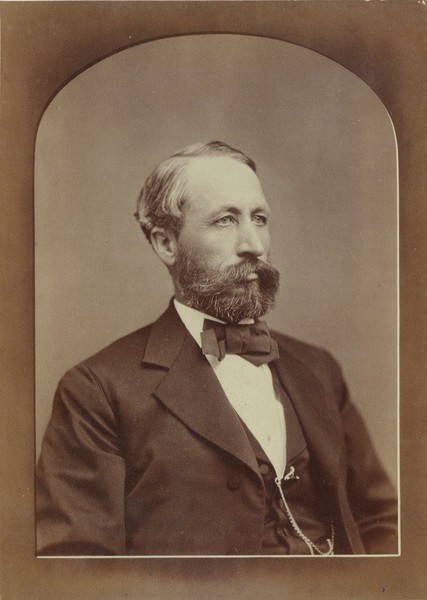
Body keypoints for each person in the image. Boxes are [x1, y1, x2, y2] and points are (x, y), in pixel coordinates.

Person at [36, 141, 398, 556]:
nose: (254, 245)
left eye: (259, 219)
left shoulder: (319, 369)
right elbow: (77, 566)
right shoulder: (97, 390)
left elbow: (382, 521)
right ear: (166, 243)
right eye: (226, 220)